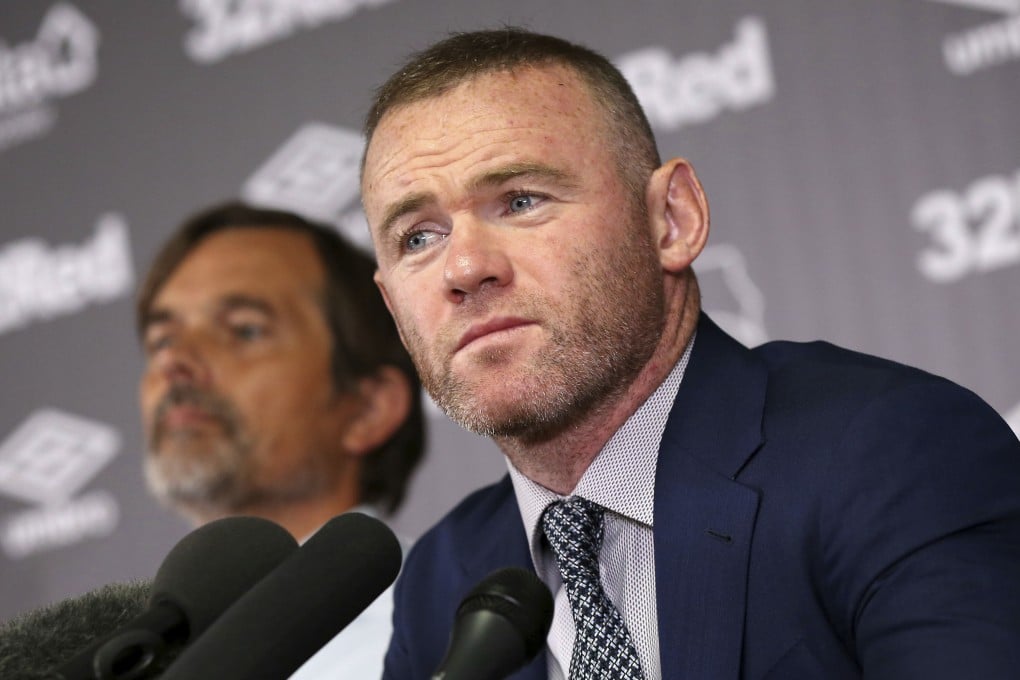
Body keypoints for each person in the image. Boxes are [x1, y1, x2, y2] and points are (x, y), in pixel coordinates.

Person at [359, 28, 1020, 679]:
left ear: (672, 220)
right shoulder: (442, 582)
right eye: (418, 238)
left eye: (522, 200)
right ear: (393, 307)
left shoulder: (886, 453)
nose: (465, 267)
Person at [136, 201, 425, 678]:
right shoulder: (126, 648)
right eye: (162, 340)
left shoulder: (431, 628)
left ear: (368, 409)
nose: (175, 363)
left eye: (245, 330)